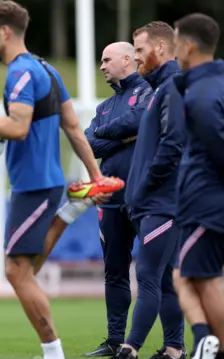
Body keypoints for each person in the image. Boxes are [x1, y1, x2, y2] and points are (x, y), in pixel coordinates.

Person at [0, 2, 120, 359]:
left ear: (6, 32)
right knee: (24, 269)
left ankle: (53, 353)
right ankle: (73, 208)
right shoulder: (45, 68)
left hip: (34, 186)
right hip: (44, 185)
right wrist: (96, 176)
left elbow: (17, 126)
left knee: (16, 272)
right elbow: (73, 126)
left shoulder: (20, 74)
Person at [94, 21, 185, 359]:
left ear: (160, 49)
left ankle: (132, 347)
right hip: (135, 202)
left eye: (141, 51)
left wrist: (143, 183)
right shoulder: (154, 89)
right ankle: (172, 349)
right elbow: (91, 140)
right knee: (152, 276)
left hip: (159, 201)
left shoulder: (168, 87)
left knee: (153, 276)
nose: (137, 57)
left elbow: (173, 145)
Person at [83, 42, 152, 358]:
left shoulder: (149, 91)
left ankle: (175, 343)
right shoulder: (105, 106)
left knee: (157, 274)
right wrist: (123, 137)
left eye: (106, 60)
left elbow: (140, 121)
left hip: (146, 199)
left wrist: (108, 134)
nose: (101, 66)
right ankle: (114, 341)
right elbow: (88, 143)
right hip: (110, 201)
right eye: (100, 61)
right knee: (114, 271)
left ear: (128, 59)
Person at [172, 13, 224, 359]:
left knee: (196, 277)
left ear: (189, 46)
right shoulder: (209, 85)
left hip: (207, 204)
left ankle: (212, 343)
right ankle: (209, 342)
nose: (174, 53)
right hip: (206, 202)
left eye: (176, 45)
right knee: (192, 276)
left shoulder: (201, 96)